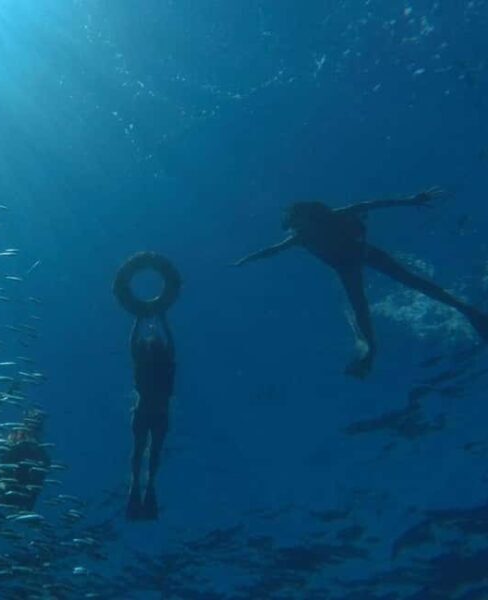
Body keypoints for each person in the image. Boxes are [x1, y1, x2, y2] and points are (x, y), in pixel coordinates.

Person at [234, 188, 488, 378]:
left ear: (305, 215)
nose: (292, 227)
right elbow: (272, 250)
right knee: (361, 306)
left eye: (294, 220)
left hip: (360, 253)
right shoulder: (300, 237)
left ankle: (467, 310)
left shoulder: (327, 218)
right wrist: (247, 259)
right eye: (292, 223)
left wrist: (411, 200)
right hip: (348, 265)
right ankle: (370, 351)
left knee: (412, 282)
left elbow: (371, 204)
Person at [127, 314, 175, 521]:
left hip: (146, 409)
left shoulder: (147, 358)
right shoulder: (162, 358)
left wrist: (138, 321)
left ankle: (138, 485)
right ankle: (142, 485)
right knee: (150, 449)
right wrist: (163, 323)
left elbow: (132, 344)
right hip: (158, 411)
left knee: (143, 449)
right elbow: (169, 343)